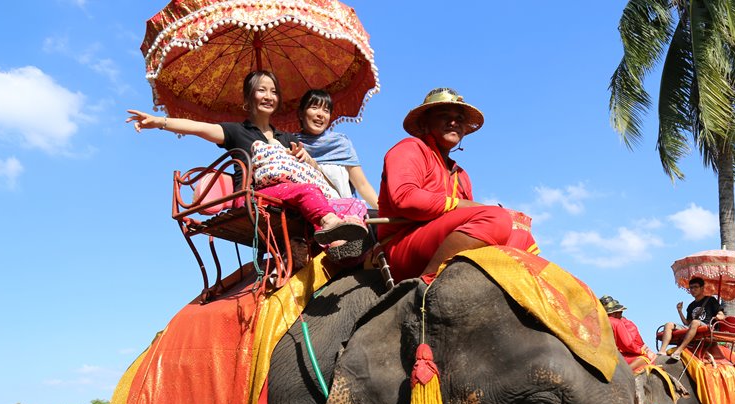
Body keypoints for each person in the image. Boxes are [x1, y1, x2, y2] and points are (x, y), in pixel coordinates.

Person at [126, 70, 367, 254]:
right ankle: (330, 224)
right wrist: (159, 122)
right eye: (262, 90)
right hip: (255, 195)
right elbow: (199, 129)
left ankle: (340, 246)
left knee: (335, 200)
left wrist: (308, 160)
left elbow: (308, 171)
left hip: (289, 195)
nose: (268, 96)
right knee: (307, 191)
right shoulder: (237, 131)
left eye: (273, 91)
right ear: (249, 96)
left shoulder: (287, 137)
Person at [376, 88, 538, 283]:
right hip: (401, 245)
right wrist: (479, 208)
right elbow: (406, 199)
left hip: (439, 241)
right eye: (444, 115)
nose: (454, 122)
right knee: (496, 218)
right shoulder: (410, 148)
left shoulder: (461, 175)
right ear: (424, 123)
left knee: (519, 229)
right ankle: (422, 287)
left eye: (459, 119)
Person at [295, 89, 379, 209]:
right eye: (314, 107)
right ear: (300, 114)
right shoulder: (291, 144)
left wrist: (384, 212)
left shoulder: (341, 144)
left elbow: (362, 185)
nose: (321, 114)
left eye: (326, 110)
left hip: (342, 217)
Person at [658, 277, 726, 358]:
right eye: (691, 287)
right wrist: (680, 311)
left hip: (707, 326)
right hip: (693, 326)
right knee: (668, 324)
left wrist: (720, 316)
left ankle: (679, 351)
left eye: (696, 287)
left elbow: (721, 314)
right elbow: (687, 323)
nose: (693, 290)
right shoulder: (691, 306)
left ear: (702, 288)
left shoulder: (711, 300)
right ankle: (662, 351)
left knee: (695, 322)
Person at [600, 296, 656, 371]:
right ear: (614, 312)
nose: (621, 314)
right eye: (620, 312)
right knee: (645, 359)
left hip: (597, 354)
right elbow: (627, 344)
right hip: (611, 356)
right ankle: (626, 374)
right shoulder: (617, 323)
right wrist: (642, 351)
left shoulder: (596, 321)